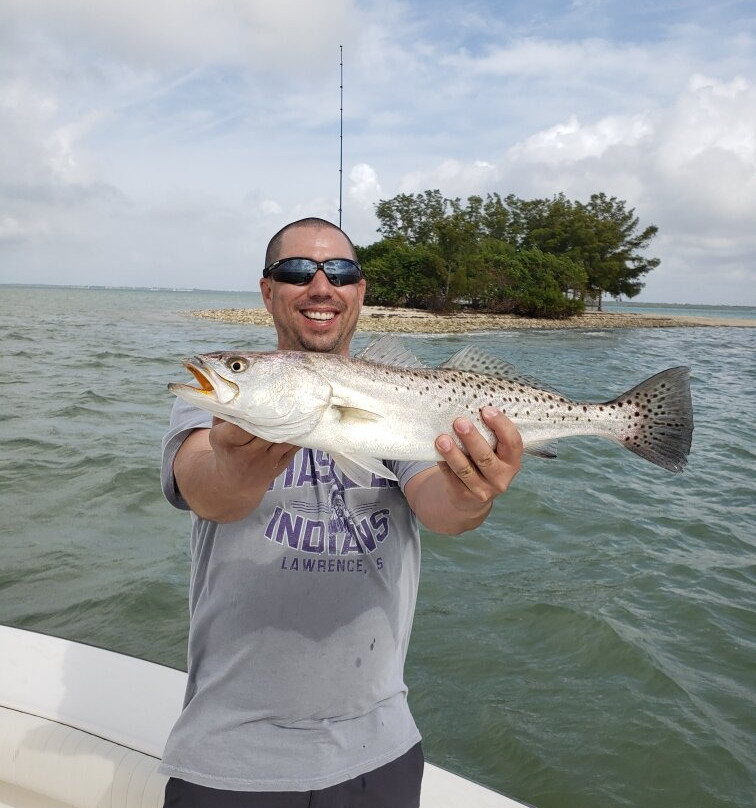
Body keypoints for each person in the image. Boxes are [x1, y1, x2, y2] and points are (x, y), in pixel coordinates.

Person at [160, 217, 523, 807]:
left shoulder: (399, 397)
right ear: (268, 290)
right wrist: (234, 469)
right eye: (298, 270)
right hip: (229, 755)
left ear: (360, 291)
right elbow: (207, 488)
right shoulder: (220, 411)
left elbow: (441, 508)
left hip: (380, 750)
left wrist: (471, 491)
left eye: (342, 272)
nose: (321, 286)